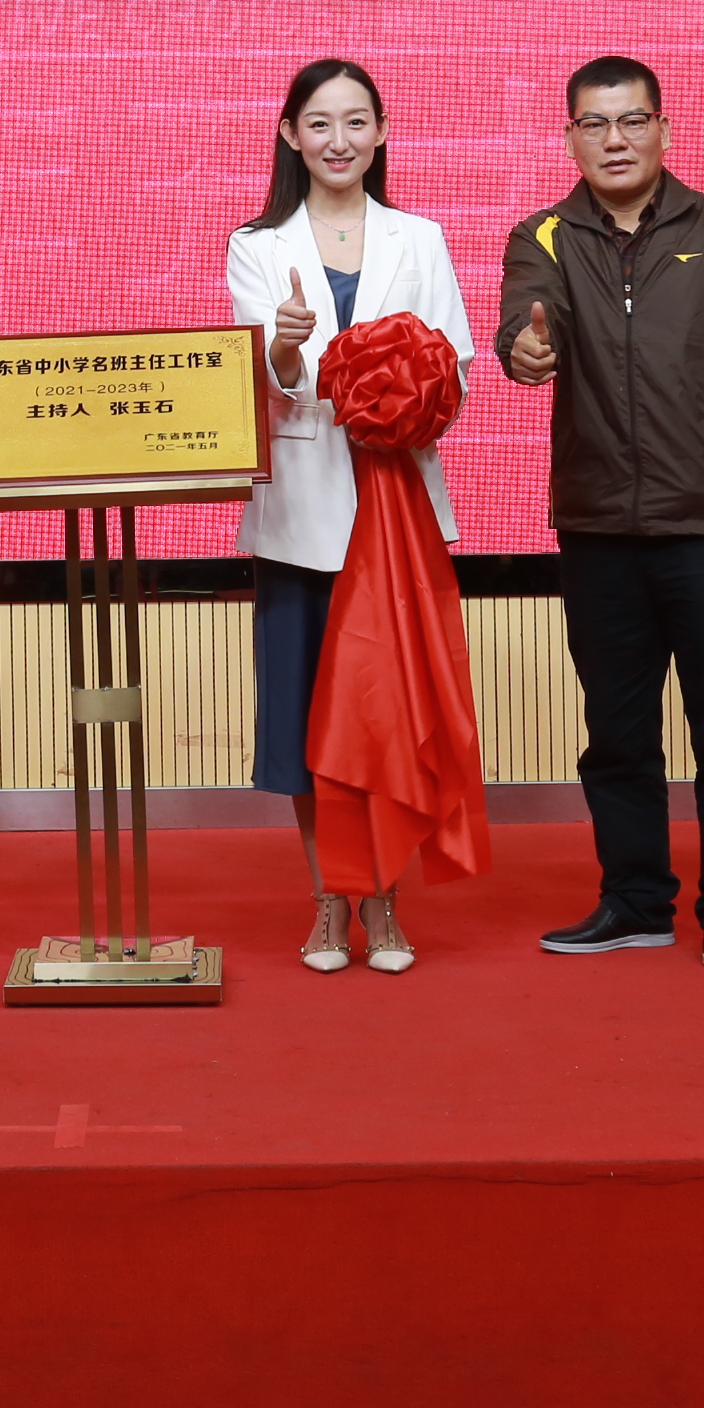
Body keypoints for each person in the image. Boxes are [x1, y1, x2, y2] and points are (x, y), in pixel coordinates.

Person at [499, 57, 704, 971]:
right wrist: (526, 349)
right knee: (617, 736)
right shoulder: (544, 236)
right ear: (570, 139)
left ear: (664, 130)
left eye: (632, 121)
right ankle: (635, 901)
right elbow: (528, 323)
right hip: (597, 530)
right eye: (594, 125)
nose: (615, 140)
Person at [224, 58, 479, 975]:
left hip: (394, 504)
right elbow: (260, 379)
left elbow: (453, 365)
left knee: (386, 712)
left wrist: (408, 399)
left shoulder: (421, 237)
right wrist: (287, 354)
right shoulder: (256, 244)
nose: (339, 140)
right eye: (320, 124)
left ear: (381, 132)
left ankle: (385, 901)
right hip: (303, 510)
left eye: (357, 121)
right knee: (310, 725)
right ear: (290, 135)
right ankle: (330, 900)